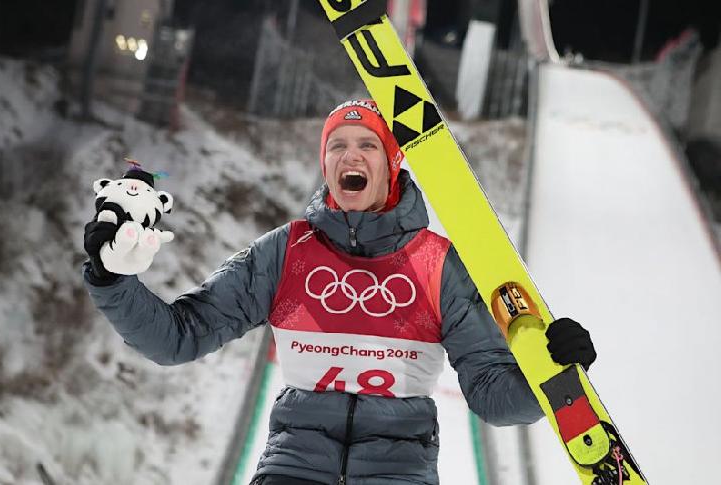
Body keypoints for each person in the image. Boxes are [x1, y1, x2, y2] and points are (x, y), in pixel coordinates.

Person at [83, 100, 597, 485]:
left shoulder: (438, 265)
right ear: (325, 165)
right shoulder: (287, 253)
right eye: (337, 146)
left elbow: (490, 396)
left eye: (367, 144)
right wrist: (112, 281)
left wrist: (546, 375)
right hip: (293, 468)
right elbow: (180, 337)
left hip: (398, 472)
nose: (350, 155)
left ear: (392, 163)